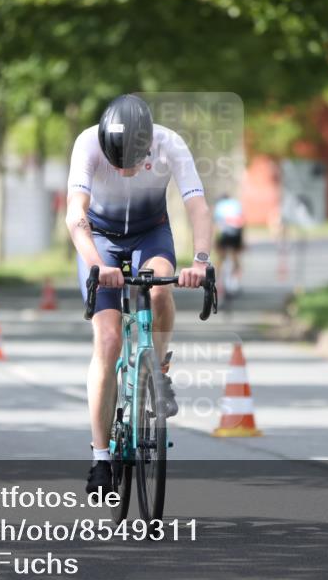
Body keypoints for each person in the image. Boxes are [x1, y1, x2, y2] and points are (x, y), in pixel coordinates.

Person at [65, 94, 213, 494]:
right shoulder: (87, 143)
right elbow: (75, 214)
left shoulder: (170, 143)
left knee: (161, 291)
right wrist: (97, 264)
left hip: (150, 233)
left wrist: (200, 261)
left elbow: (198, 207)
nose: (123, 170)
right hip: (100, 238)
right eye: (115, 162)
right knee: (108, 339)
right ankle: (100, 457)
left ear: (148, 146)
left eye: (130, 162)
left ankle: (158, 372)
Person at [213, 193, 245, 296]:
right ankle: (236, 282)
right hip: (237, 232)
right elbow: (242, 221)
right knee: (236, 256)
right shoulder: (236, 204)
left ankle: (216, 283)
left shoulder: (219, 206)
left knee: (220, 258)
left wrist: (215, 243)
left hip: (224, 233)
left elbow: (216, 225)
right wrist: (243, 241)